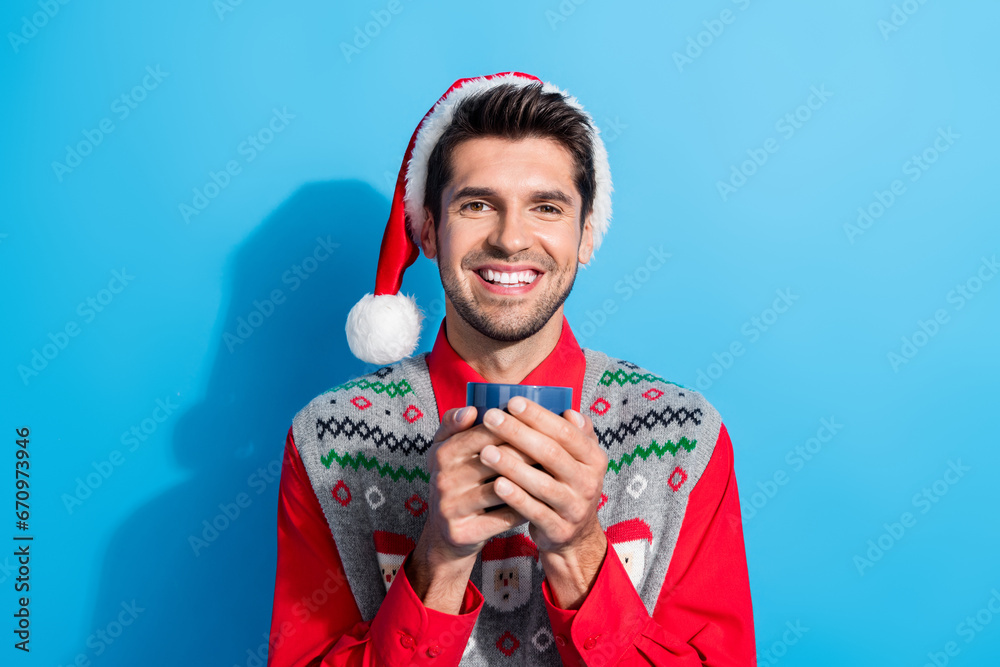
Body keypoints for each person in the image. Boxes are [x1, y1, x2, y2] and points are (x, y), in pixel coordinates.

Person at [266, 72, 755, 666]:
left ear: (586, 235)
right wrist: (438, 562)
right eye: (477, 205)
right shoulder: (328, 440)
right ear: (426, 228)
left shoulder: (683, 436)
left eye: (546, 207)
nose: (510, 239)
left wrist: (580, 553)